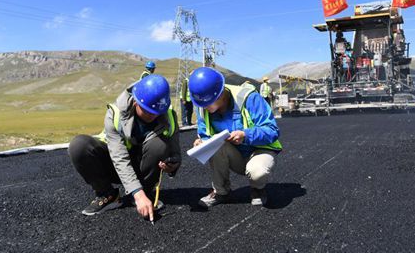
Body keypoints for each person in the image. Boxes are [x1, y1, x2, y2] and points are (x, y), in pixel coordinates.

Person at [68, 75, 181, 220]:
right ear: (135, 101)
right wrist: (137, 193)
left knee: (159, 145)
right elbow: (119, 157)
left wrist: (173, 166)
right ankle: (108, 194)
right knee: (79, 145)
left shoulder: (169, 117)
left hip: (144, 169)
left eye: (156, 113)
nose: (152, 116)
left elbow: (175, 153)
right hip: (115, 165)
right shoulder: (115, 114)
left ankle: (146, 192)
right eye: (147, 111)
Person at [188, 67, 282, 208]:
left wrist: (245, 135)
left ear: (220, 94)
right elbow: (205, 134)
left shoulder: (249, 98)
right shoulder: (202, 105)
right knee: (214, 146)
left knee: (258, 171)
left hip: (259, 151)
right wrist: (202, 142)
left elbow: (272, 130)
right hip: (235, 156)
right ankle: (221, 192)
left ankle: (257, 189)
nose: (204, 107)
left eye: (207, 103)